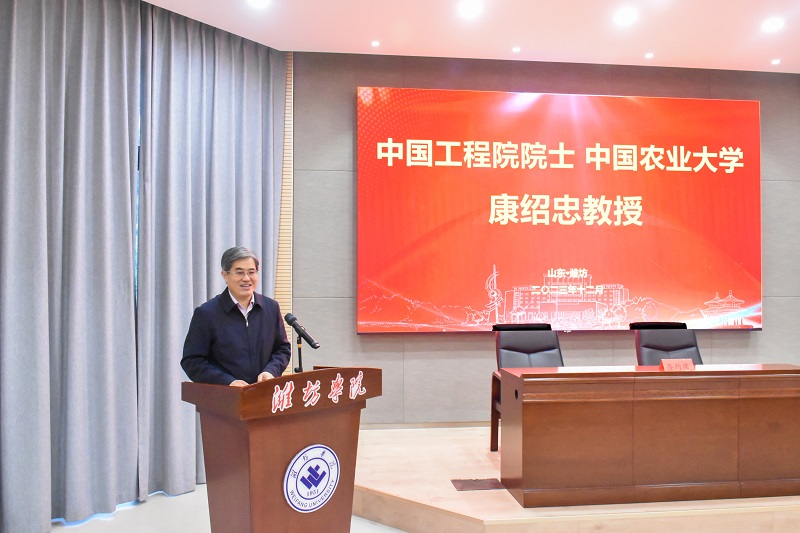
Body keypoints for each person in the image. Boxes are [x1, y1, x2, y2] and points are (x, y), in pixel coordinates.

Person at [181, 246, 291, 387]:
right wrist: (228, 382)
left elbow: (282, 349)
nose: (246, 278)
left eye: (251, 272)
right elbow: (192, 361)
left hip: (264, 393)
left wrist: (271, 371)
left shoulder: (271, 308)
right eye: (239, 272)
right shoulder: (207, 313)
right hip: (225, 396)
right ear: (225, 275)